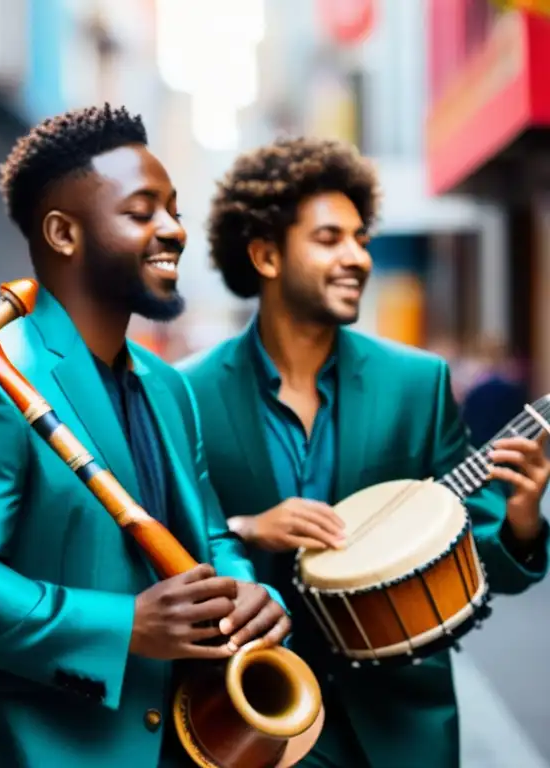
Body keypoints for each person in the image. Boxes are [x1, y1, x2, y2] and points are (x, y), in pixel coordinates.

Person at [0, 104, 290, 768]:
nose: (173, 230)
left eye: (174, 210)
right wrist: (122, 628)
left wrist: (252, 592)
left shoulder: (170, 387)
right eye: (143, 212)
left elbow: (212, 536)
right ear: (63, 233)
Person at [178, 136, 550, 768]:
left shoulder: (417, 383)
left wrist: (519, 520)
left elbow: (475, 559)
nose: (357, 257)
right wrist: (245, 529)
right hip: (247, 718)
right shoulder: (184, 392)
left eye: (360, 238)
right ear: (266, 254)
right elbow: (155, 544)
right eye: (329, 239)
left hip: (398, 726)